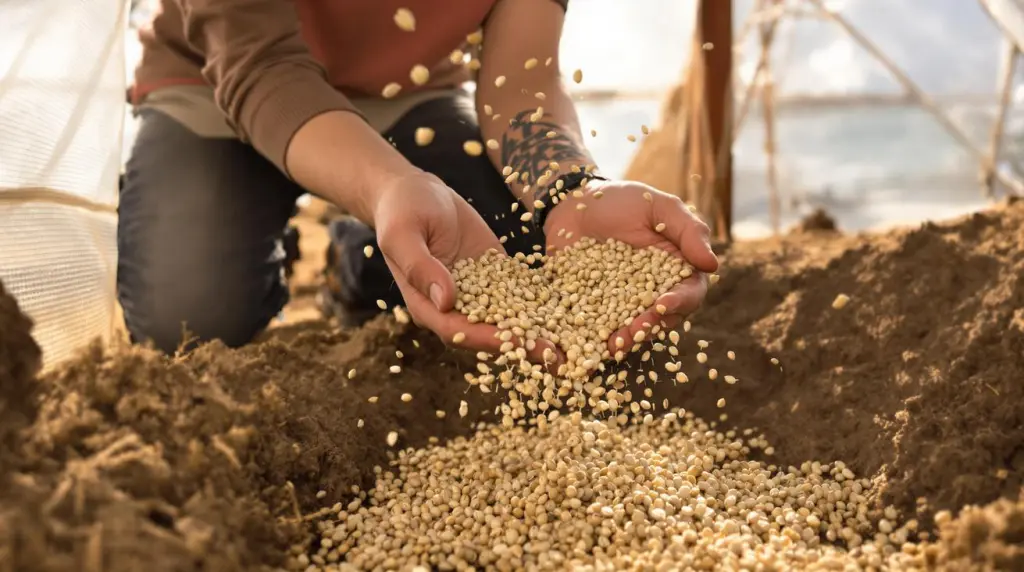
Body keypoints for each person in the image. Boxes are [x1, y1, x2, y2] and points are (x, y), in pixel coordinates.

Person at [119, 0, 719, 360]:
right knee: (187, 319)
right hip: (213, 89)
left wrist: (570, 189)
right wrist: (385, 185)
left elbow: (521, 85)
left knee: (517, 258)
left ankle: (357, 261)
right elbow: (261, 69)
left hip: (407, 96)